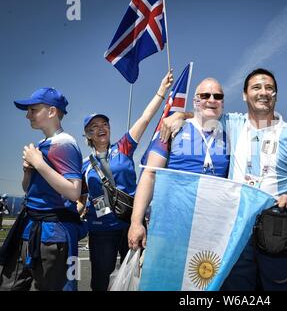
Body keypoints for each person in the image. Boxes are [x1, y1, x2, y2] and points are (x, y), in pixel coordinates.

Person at [162, 68, 287, 291]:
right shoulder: (231, 123)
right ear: (244, 95)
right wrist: (179, 115)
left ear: (275, 95)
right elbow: (204, 112)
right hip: (235, 234)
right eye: (256, 87)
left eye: (269, 88)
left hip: (275, 231)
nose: (263, 92)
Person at [78, 71, 173, 291]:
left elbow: (145, 118)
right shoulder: (82, 164)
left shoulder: (123, 147)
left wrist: (161, 91)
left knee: (139, 278)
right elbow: (80, 198)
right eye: (94, 127)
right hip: (101, 231)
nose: (101, 128)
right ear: (88, 135)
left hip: (132, 224)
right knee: (100, 282)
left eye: (104, 124)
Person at [128, 77, 230, 250]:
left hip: (211, 229)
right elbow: (149, 174)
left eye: (217, 96)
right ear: (195, 101)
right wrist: (136, 222)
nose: (212, 100)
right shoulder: (172, 129)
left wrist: (182, 113)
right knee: (163, 277)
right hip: (169, 227)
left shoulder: (230, 136)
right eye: (205, 95)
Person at [1, 87, 84, 291]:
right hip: (29, 229)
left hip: (52, 235)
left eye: (33, 109)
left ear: (52, 111)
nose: (27, 115)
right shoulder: (41, 145)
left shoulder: (65, 144)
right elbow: (28, 189)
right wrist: (28, 172)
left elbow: (74, 191)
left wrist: (39, 164)